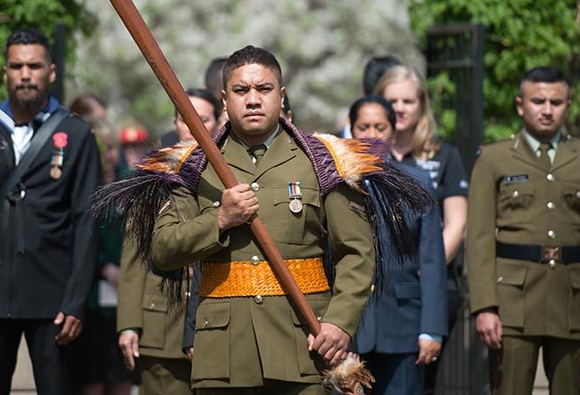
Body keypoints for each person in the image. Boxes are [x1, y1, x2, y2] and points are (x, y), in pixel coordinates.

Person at [92, 45, 430, 394]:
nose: (253, 99)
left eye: (264, 89)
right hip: (222, 355)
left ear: (281, 96)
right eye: (241, 90)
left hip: (301, 347)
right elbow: (163, 249)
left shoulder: (324, 161)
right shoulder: (191, 166)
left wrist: (339, 324)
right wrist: (220, 219)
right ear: (224, 99)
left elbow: (356, 254)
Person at [0, 28, 102, 394]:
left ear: (51, 72)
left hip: (55, 300)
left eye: (34, 65)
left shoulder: (77, 135)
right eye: (17, 66)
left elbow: (87, 221)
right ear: (5, 72)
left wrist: (77, 300)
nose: (25, 74)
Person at [466, 66, 580, 394]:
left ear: (568, 105)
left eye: (556, 102)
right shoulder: (494, 159)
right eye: (538, 101)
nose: (547, 109)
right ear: (520, 105)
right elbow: (479, 238)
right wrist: (485, 306)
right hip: (512, 301)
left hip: (574, 301)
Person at [117, 86, 222, 395]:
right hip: (162, 318)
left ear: (218, 121)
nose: (191, 127)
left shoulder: (229, 171)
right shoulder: (154, 172)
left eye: (201, 118)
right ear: (175, 123)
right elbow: (134, 253)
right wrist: (128, 323)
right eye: (184, 119)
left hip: (214, 314)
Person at [373, 65, 468, 392]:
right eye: (392, 100)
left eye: (408, 101)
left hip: (431, 283)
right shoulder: (366, 157)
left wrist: (426, 267)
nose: (400, 107)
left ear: (422, 105)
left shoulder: (443, 156)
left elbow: (456, 222)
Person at [349, 95, 448, 395]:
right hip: (351, 327)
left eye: (380, 126)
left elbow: (432, 261)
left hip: (404, 325)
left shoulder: (416, 182)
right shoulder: (336, 184)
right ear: (350, 130)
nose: (371, 135)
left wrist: (431, 328)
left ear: (392, 131)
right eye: (363, 126)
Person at [77, 120, 138, 395]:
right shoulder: (84, 185)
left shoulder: (129, 182)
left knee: (121, 375)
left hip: (123, 293)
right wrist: (103, 268)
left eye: (112, 148)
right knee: (92, 376)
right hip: (92, 295)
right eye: (102, 150)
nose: (108, 155)